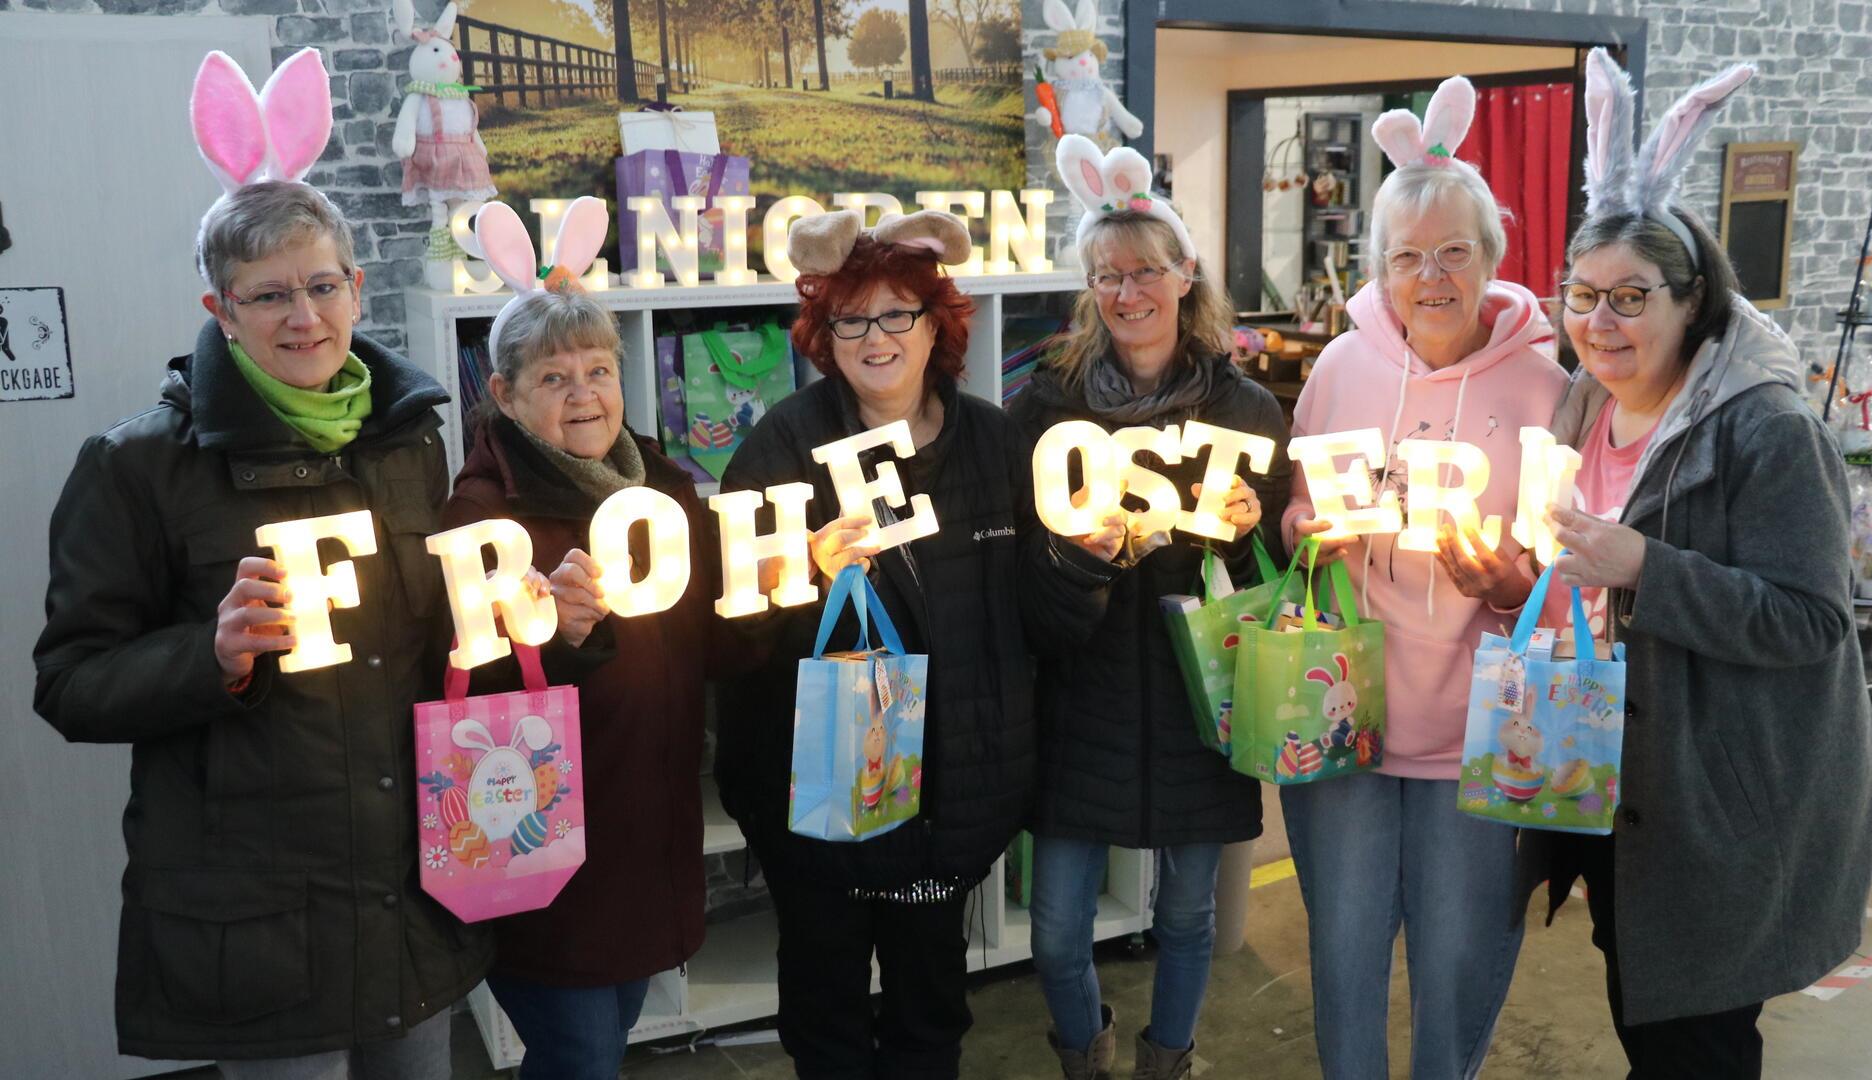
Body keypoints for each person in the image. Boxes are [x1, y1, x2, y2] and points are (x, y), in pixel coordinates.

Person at [33, 49, 484, 1076]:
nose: (304, 317)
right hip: (258, 918)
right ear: (219, 313)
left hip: (411, 883)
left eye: (323, 285)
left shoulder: (410, 435)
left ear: (358, 286)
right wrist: (214, 657)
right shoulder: (137, 464)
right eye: (269, 295)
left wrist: (529, 614)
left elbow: (430, 647)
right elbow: (70, 685)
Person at [1531, 52, 1872, 1078]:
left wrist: (1647, 564)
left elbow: (1811, 620)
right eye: (1582, 295)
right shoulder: (1583, 405)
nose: (1599, 324)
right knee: (1649, 1016)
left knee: (1696, 1042)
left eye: (1630, 298)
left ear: (1692, 301)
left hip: (1722, 802)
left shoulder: (1763, 429)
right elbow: (1583, 579)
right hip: (1616, 784)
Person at [713, 208, 1067, 1079]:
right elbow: (729, 642)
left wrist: (1087, 559)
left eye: (897, 313)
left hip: (953, 797)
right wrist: (797, 574)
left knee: (929, 1009)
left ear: (935, 323)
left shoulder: (993, 438)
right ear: (823, 335)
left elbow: (1044, 622)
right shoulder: (782, 445)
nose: (876, 337)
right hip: (822, 802)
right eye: (851, 318)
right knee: (827, 1011)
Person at [1275, 78, 1570, 1079]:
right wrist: (1307, 528)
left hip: (1487, 729)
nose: (1431, 275)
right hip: (1344, 717)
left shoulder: (1547, 386)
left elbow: (1575, 568)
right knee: (1344, 961)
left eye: (1454, 251)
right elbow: (1295, 510)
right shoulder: (1339, 371)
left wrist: (1512, 580)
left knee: (1459, 963)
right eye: (1408, 256)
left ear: (1494, 257)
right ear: (1381, 269)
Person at [1010, 134, 1286, 1080]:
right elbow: (1025, 587)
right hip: (1078, 703)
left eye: (1145, 272)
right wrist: (1076, 560)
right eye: (1106, 276)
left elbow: (1274, 579)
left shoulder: (1245, 411)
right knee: (1054, 933)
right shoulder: (1043, 410)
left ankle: (1169, 1060)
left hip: (1200, 702)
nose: (1127, 293)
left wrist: (1250, 534)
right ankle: (1083, 1059)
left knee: (1189, 919)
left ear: (1184, 275)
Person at [441, 199, 713, 1079]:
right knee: (581, 1056)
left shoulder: (664, 488)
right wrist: (553, 639)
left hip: (647, 833)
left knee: (599, 1042)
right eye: (554, 379)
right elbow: (454, 697)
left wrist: (802, 575)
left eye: (598, 368)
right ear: (505, 395)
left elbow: (713, 640)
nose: (585, 394)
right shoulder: (483, 518)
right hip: (545, 850)